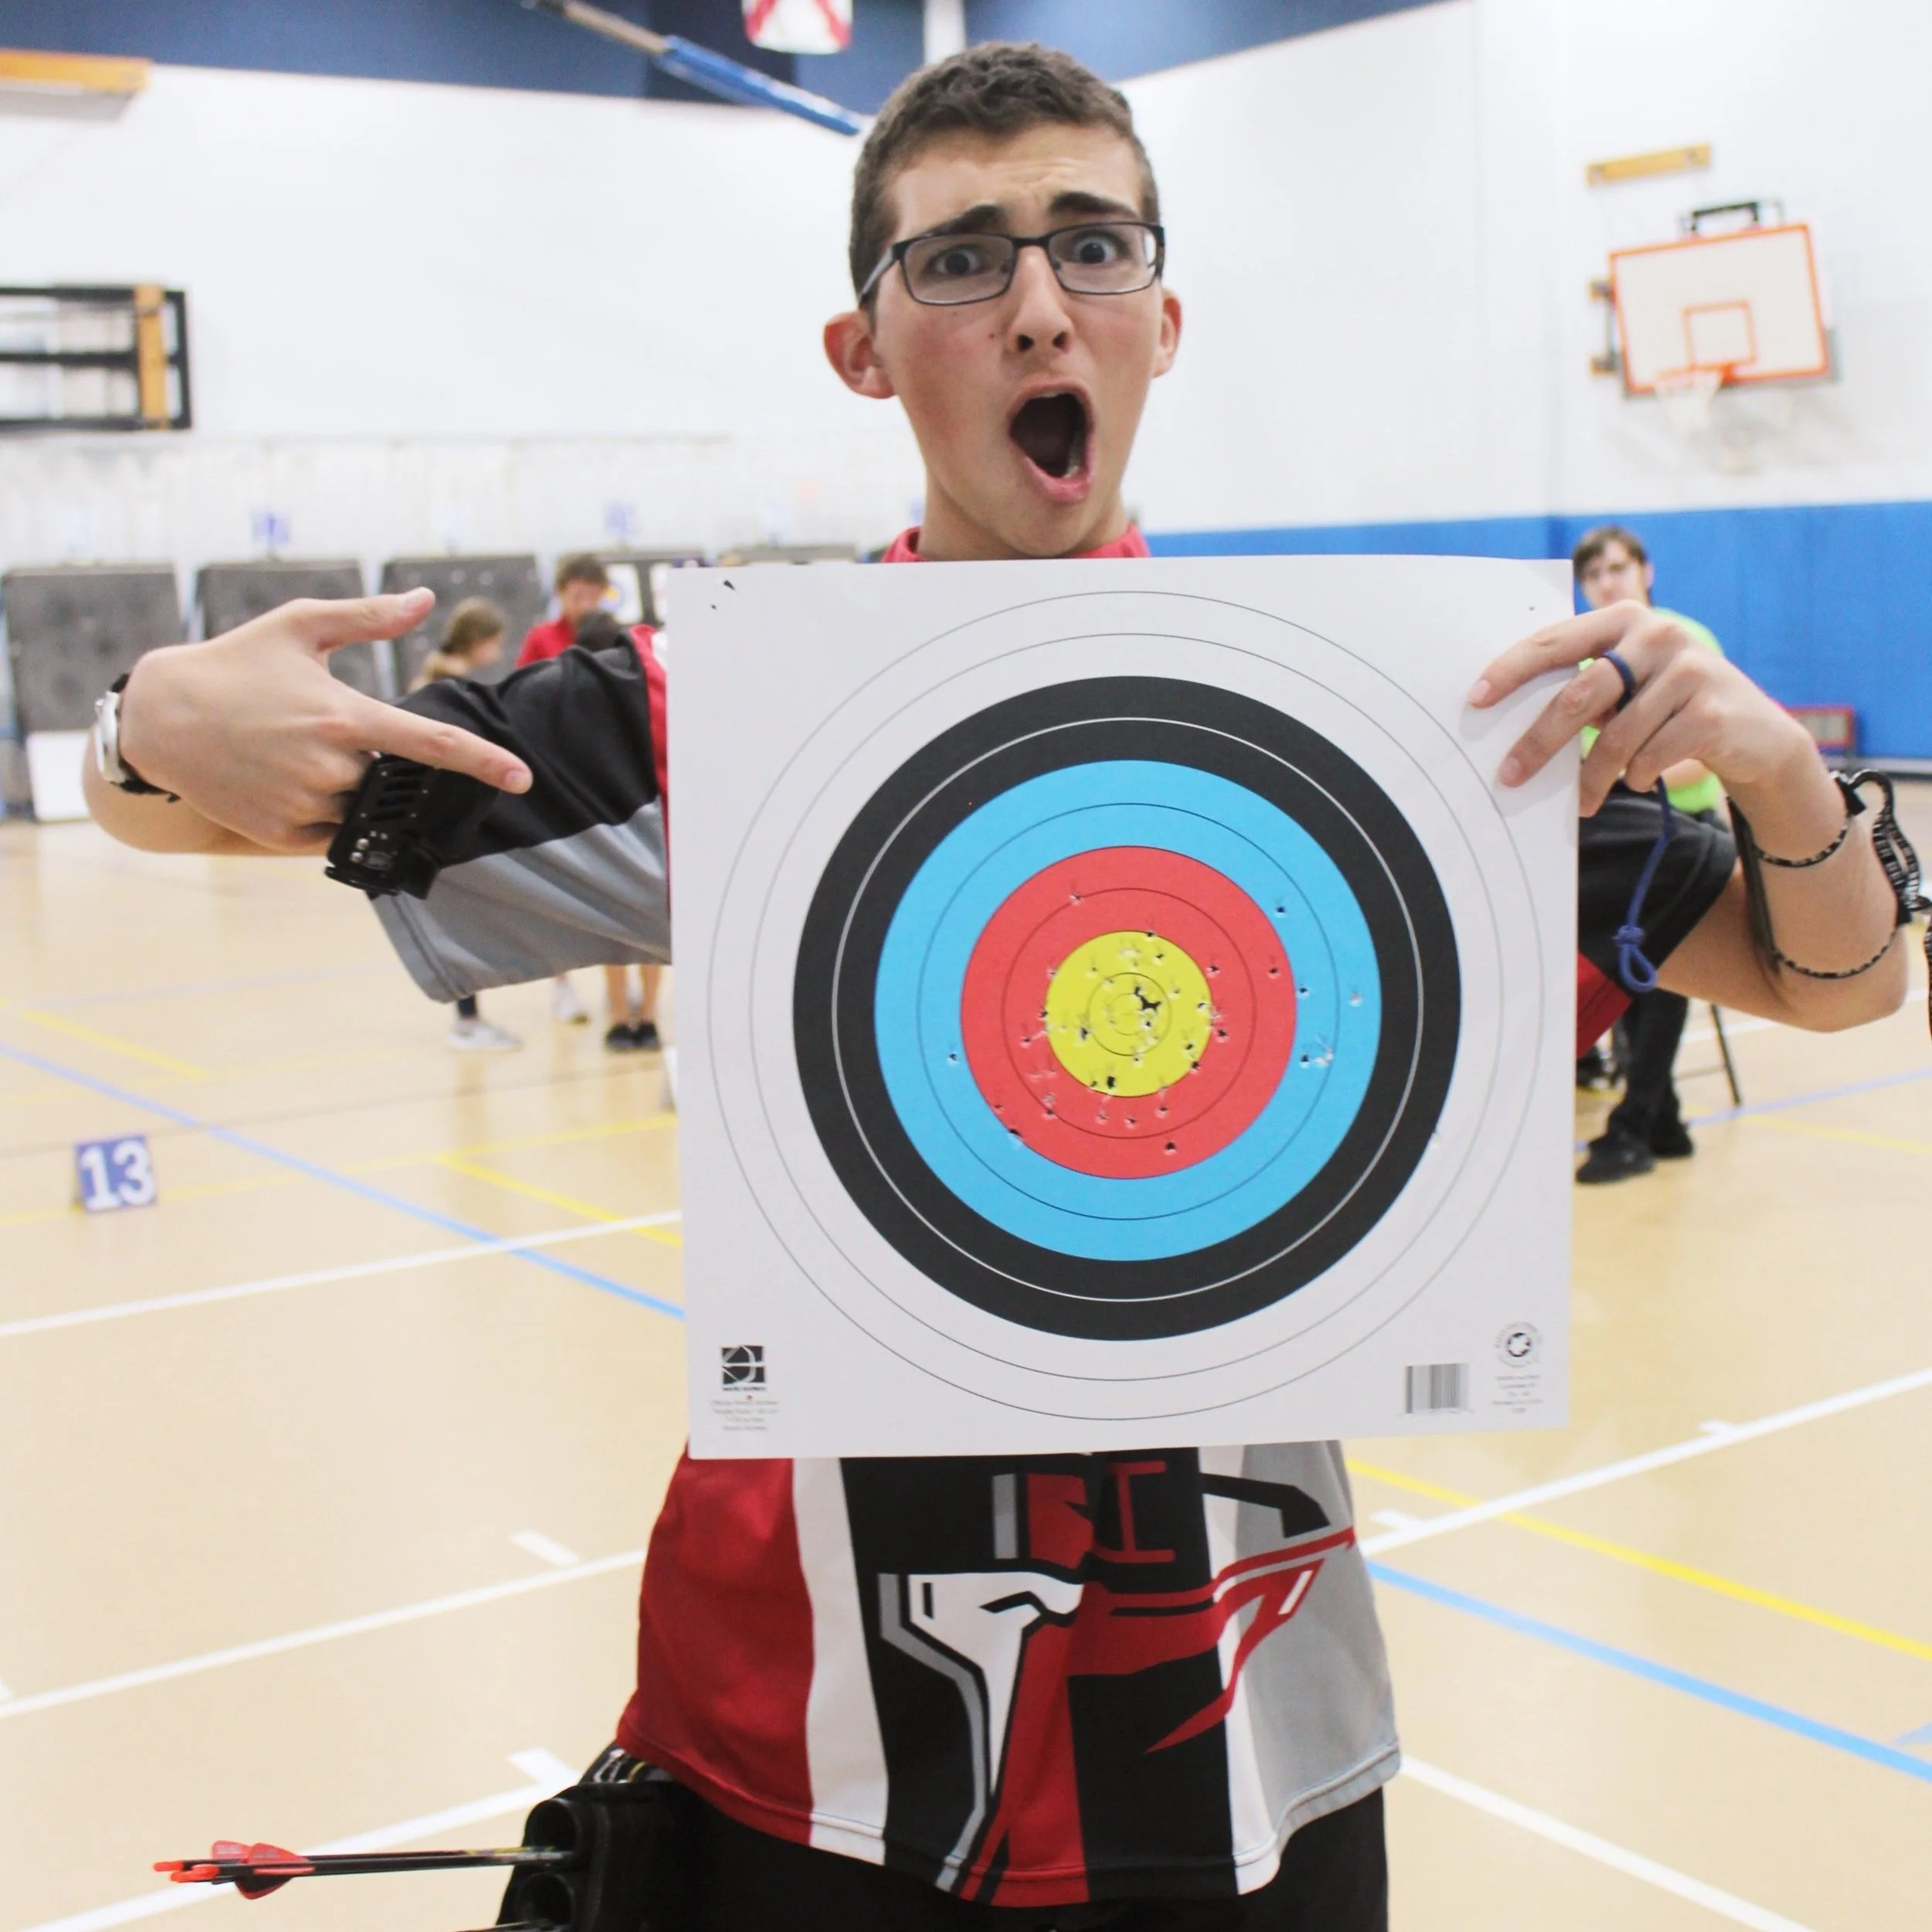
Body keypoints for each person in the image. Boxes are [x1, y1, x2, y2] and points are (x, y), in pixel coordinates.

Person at [81, 43, 1911, 1929]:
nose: (1039, 305)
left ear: (1163, 316)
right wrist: (140, 724)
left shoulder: (1392, 722)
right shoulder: (721, 708)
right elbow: (211, 798)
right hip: (806, 1766)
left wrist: (1776, 777)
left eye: (1092, 247)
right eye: (960, 261)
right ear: (864, 349)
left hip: (1250, 1757)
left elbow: (1838, 982)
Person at [1572, 524, 1728, 1184]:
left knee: (1657, 977)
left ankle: (1635, 1126)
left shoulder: (1684, 641)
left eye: (1617, 567)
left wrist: (1631, 774)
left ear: (1646, 571)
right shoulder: (1583, 661)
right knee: (1621, 967)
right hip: (1615, 829)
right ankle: (1662, 1120)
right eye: (1595, 573)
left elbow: (1702, 761)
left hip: (1682, 833)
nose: (1608, 581)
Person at [407, 598, 521, 1053]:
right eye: (495, 643)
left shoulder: (437, 678)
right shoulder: (449, 686)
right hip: (446, 821)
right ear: (479, 642)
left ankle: (470, 1019)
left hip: (440, 819)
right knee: (465, 924)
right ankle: (468, 1021)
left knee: (465, 922)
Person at [522, 553, 622, 1028]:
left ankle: (618, 990)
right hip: (554, 774)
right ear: (561, 593)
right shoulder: (542, 640)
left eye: (592, 593)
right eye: (575, 593)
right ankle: (561, 983)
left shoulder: (617, 634)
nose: (583, 602)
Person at [570, 607, 665, 1056]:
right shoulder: (640, 691)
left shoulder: (584, 697)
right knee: (638, 929)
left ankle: (633, 1019)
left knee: (620, 930)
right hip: (640, 825)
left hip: (618, 826)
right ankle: (641, 1018)